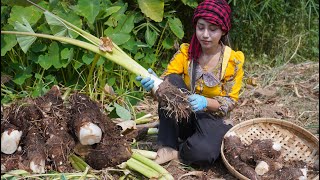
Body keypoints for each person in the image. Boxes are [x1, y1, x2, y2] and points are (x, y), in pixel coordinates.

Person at [136, 0, 244, 166]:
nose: (205, 34)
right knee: (170, 80)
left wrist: (205, 102)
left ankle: (183, 150)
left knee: (202, 154)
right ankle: (168, 145)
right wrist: (153, 85)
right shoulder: (186, 52)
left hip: (213, 120)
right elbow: (166, 88)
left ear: (223, 30)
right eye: (201, 27)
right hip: (184, 114)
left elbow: (230, 101)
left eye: (213, 29)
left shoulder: (232, 62)